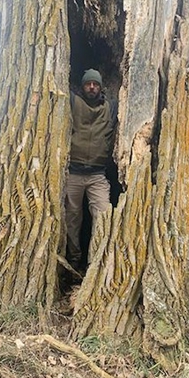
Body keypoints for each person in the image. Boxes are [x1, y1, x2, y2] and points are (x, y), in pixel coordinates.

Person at [66, 69, 117, 270]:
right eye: (88, 84)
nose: (92, 87)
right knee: (72, 218)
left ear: (101, 86)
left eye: (95, 84)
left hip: (97, 174)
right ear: (82, 86)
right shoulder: (73, 103)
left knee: (103, 215)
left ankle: (95, 263)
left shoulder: (110, 108)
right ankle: (73, 259)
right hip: (74, 173)